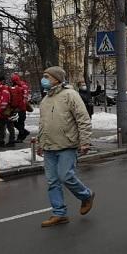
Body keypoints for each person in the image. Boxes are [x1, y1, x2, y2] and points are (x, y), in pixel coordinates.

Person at [37, 66, 95, 227]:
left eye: (47, 76)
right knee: (52, 182)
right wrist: (41, 143)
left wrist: (85, 141)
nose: (44, 79)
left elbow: (83, 119)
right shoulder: (46, 99)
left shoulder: (70, 95)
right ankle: (59, 213)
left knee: (66, 176)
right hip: (49, 147)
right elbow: (43, 124)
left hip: (67, 144)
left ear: (57, 79)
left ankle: (86, 195)